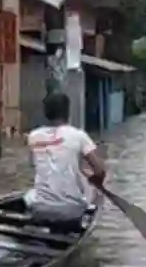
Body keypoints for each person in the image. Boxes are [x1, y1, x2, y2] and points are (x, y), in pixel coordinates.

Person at [25, 92, 106, 226]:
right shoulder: (79, 136)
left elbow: (34, 165)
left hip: (39, 209)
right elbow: (100, 172)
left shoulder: (33, 136)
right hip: (71, 212)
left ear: (45, 113)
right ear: (68, 112)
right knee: (95, 193)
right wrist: (88, 177)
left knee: (29, 194)